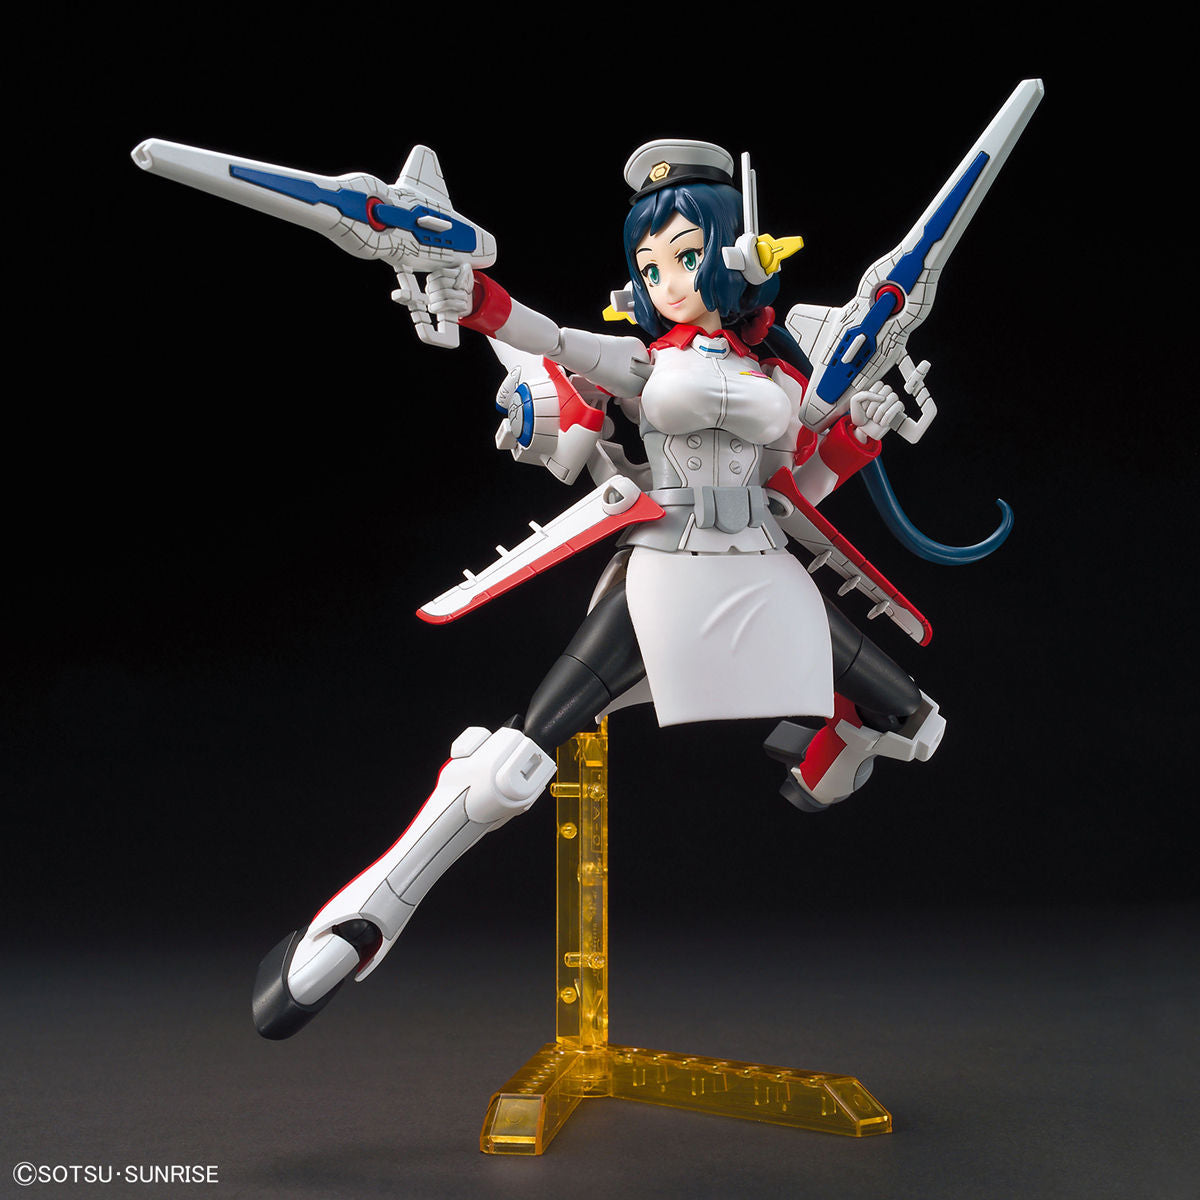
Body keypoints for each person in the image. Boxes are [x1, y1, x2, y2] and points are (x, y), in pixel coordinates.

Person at [251, 139, 944, 1040]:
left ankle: (824, 753)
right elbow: (541, 334)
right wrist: (474, 298)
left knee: (917, 723)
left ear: (740, 252)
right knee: (514, 761)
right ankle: (359, 924)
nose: (667, 281)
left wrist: (858, 438)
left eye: (686, 256)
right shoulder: (643, 364)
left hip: (767, 573)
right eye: (651, 266)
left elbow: (798, 488)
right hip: (665, 576)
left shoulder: (785, 378)